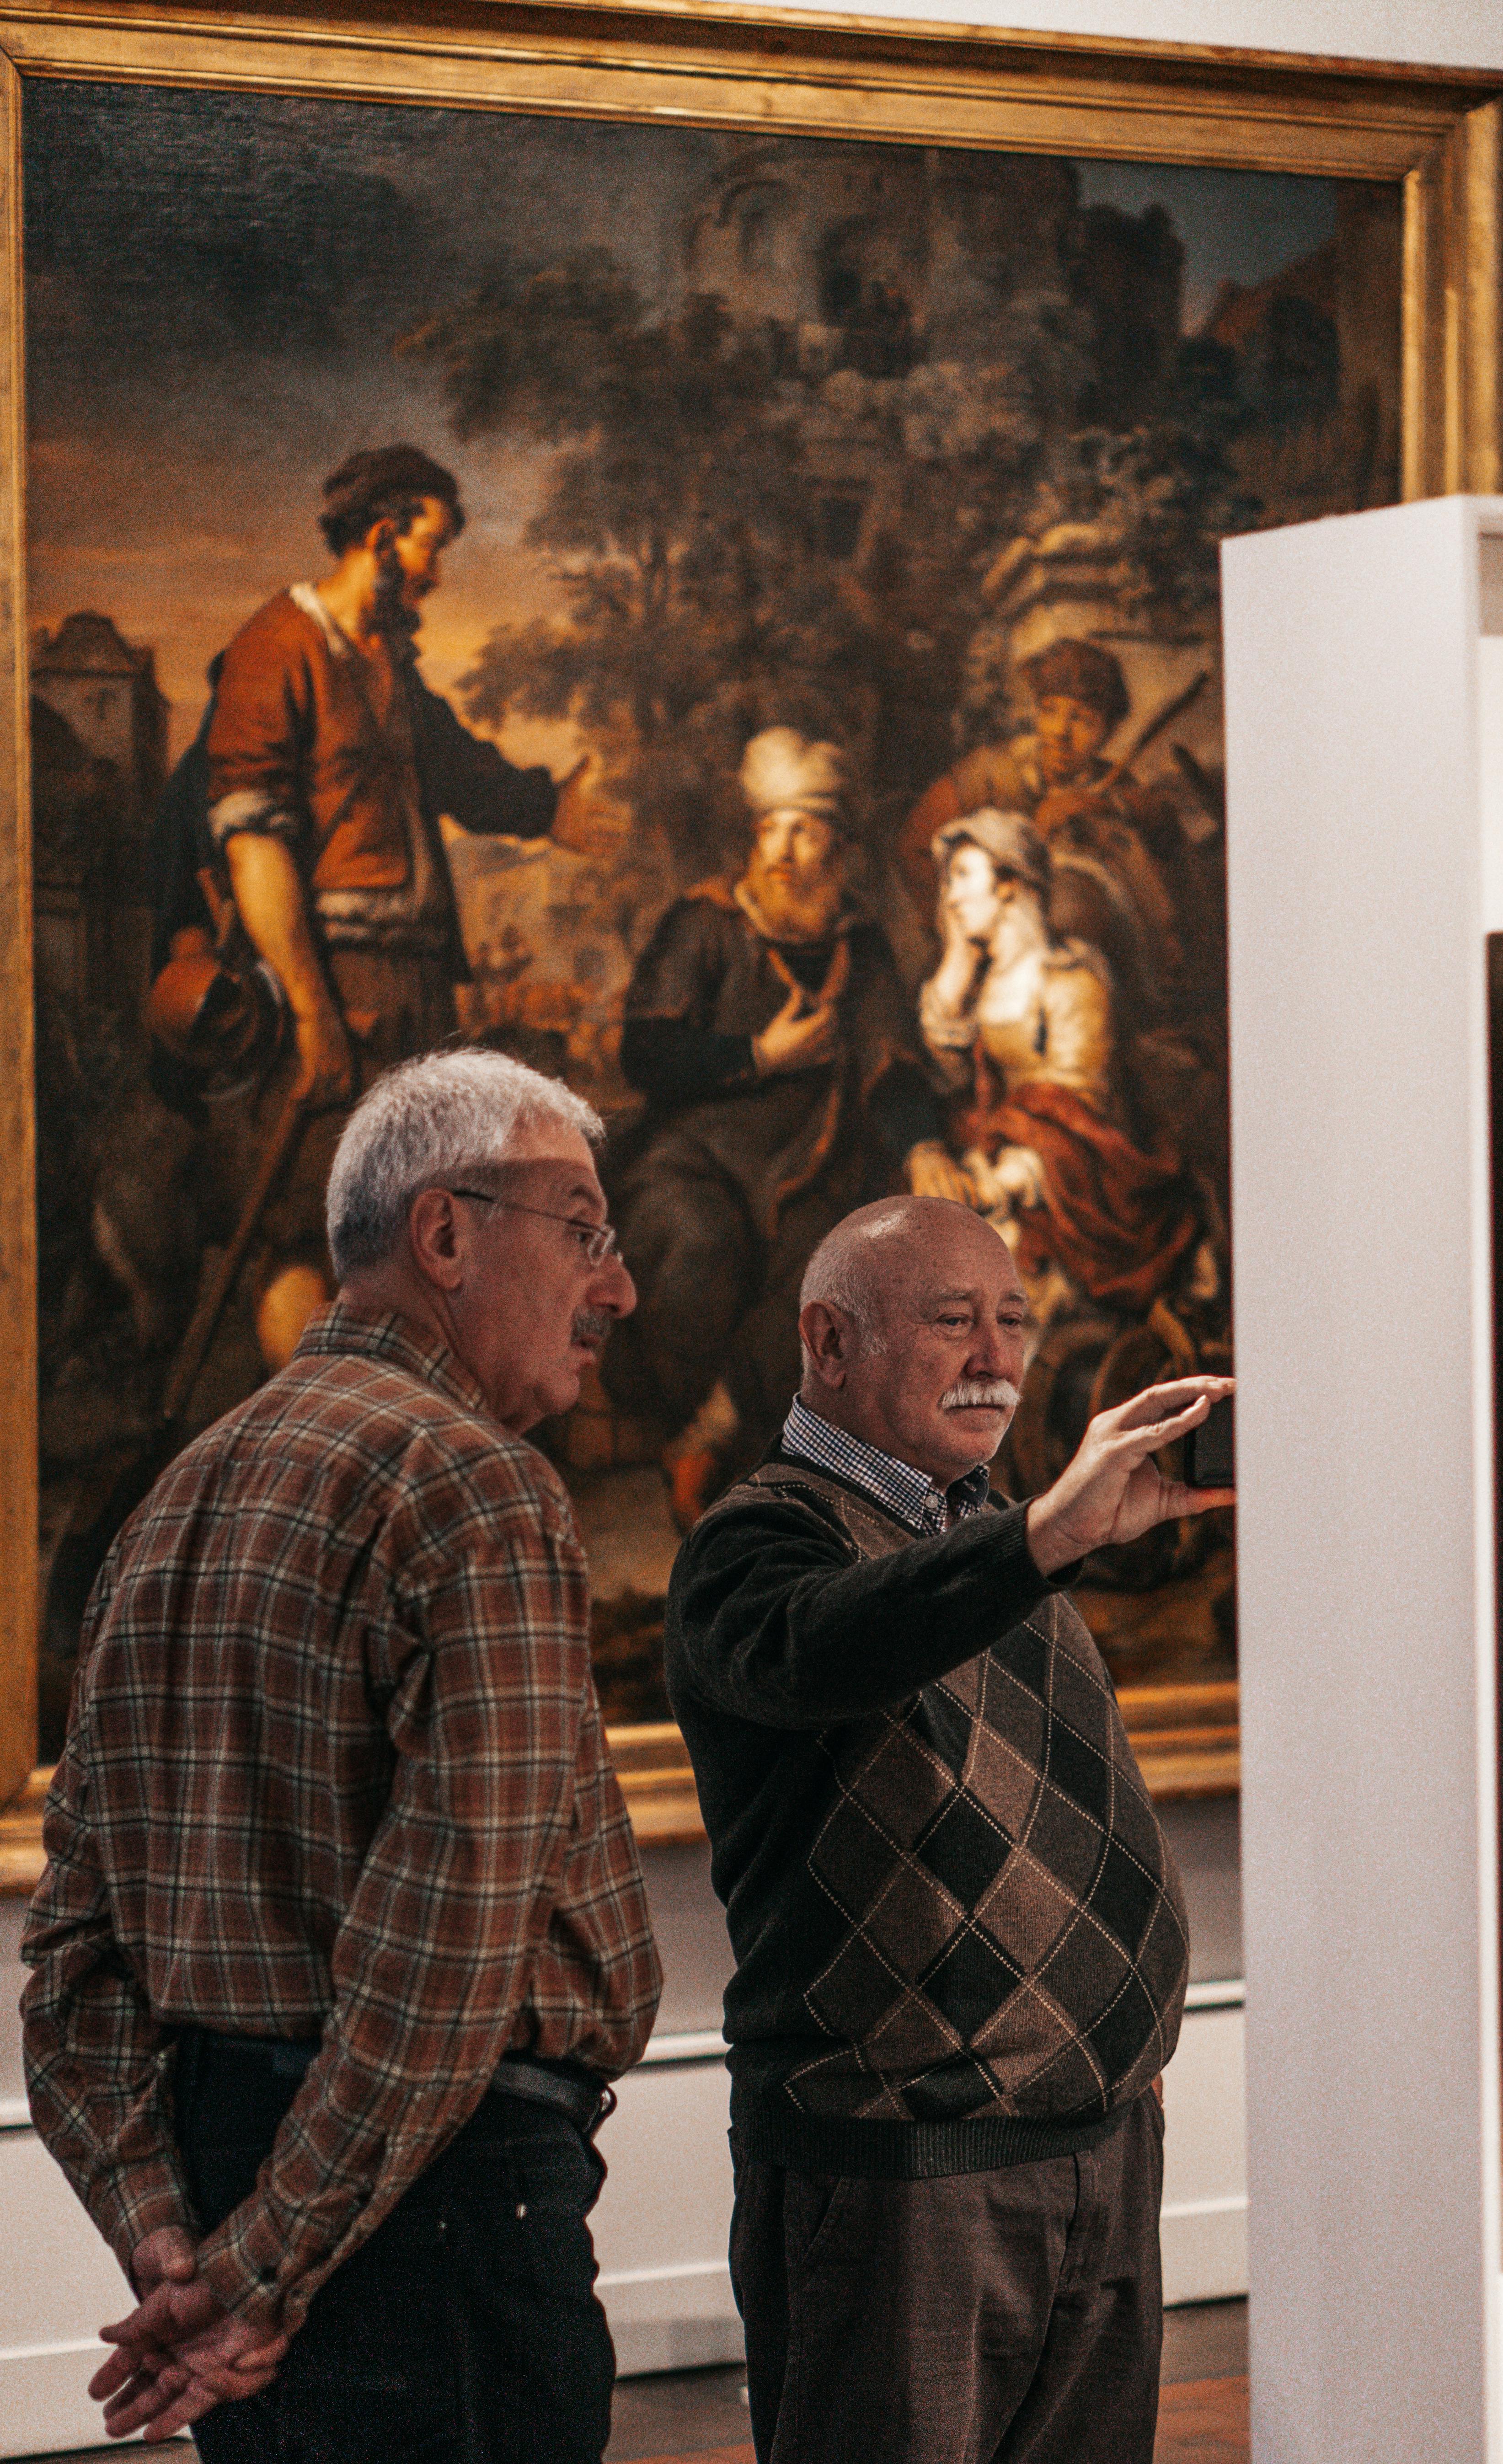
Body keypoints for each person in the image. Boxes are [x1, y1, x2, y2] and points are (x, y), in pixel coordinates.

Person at [21, 1049, 662, 2462]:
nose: (615, 1286)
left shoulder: (172, 1501)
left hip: (249, 2185)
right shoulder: (478, 1485)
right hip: (436, 2221)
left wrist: (172, 2236)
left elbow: (72, 1961)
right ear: (444, 1233)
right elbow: (442, 1960)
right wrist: (253, 2274)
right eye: (584, 1231)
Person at [663, 1194, 1234, 2464]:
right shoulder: (755, 1539)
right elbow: (831, 1643)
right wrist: (1044, 1535)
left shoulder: (984, 1535)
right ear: (828, 1342)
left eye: (1014, 1321)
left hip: (1098, 2145)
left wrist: (1041, 1536)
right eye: (949, 1320)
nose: (995, 1356)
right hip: (902, 2171)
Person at [194, 444, 565, 1373]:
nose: (438, 574)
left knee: (417, 1225)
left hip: (413, 986)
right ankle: (321, 1438)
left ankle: (390, 1443)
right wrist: (315, 1014)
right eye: (431, 547)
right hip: (331, 984)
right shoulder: (277, 646)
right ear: (383, 531)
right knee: (310, 1229)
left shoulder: (388, 663)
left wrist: (548, 805)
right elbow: (256, 849)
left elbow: (461, 770)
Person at [603, 725, 943, 1525]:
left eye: (804, 830)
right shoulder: (705, 922)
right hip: (692, 1159)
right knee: (697, 1242)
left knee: (830, 1277)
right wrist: (759, 1053)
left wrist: (923, 1144)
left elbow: (893, 1062)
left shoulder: (860, 946)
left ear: (840, 849)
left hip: (816, 1162)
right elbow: (645, 1051)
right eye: (770, 829)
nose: (782, 850)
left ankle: (722, 1438)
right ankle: (689, 1430)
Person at [919, 807, 1216, 1328]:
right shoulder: (985, 983)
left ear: (1010, 884)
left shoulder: (1070, 983)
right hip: (1010, 1166)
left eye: (964, 877)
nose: (951, 897)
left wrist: (1006, 1180)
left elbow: (1081, 1115)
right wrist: (956, 964)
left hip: (1088, 1193)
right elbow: (953, 1079)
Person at [898, 635, 1206, 1023]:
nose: (1060, 731)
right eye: (1050, 711)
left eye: (1082, 719)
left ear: (1107, 733)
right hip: (987, 968)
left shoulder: (1118, 789)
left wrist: (1120, 814)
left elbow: (1157, 894)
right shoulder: (992, 772)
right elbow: (914, 847)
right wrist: (960, 933)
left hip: (1083, 979)